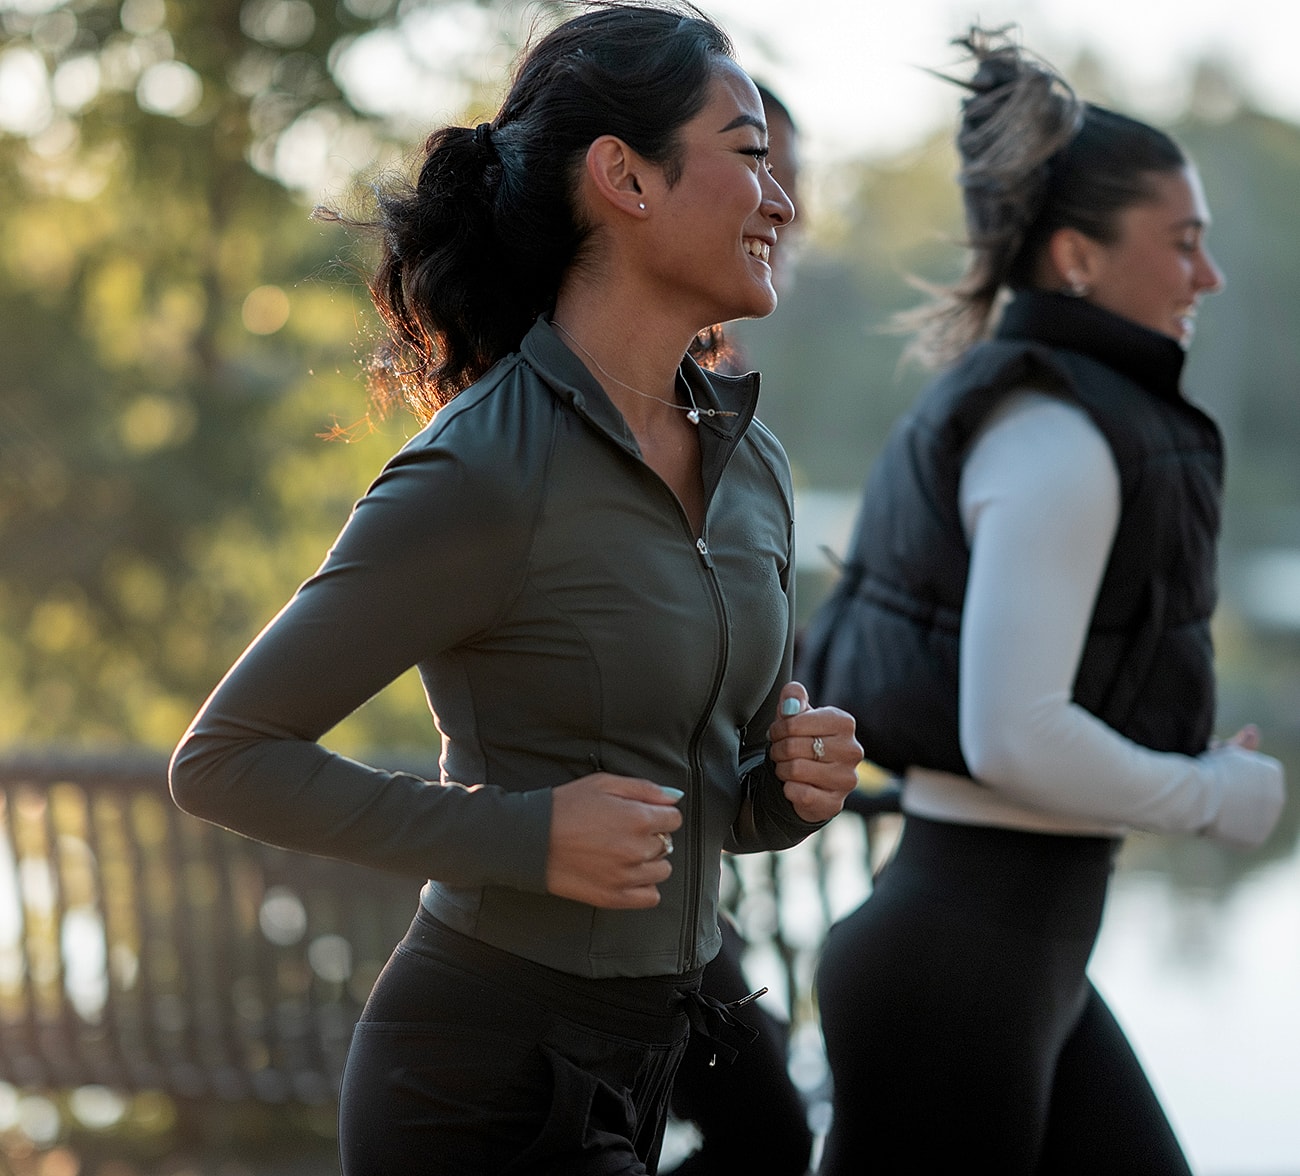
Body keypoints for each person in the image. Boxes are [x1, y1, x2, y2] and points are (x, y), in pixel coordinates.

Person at [168, 4, 862, 1174]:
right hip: (474, 1087)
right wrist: (522, 836)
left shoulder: (756, 469)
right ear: (624, 179)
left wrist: (783, 791)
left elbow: (701, 805)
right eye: (749, 157)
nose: (781, 201)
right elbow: (224, 760)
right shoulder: (485, 466)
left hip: (655, 1061)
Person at [797, 27, 1286, 1175]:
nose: (1206, 276)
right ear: (1073, 258)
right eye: (1182, 243)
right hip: (956, 974)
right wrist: (1208, 794)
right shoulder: (1057, 434)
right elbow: (1011, 736)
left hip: (1013, 962)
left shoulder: (1063, 413)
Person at [663, 81, 815, 1176]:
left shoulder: (740, 436)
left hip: (681, 913)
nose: (783, 204)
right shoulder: (577, 420)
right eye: (759, 166)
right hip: (589, 924)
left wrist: (790, 769)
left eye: (785, 171)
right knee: (771, 1129)